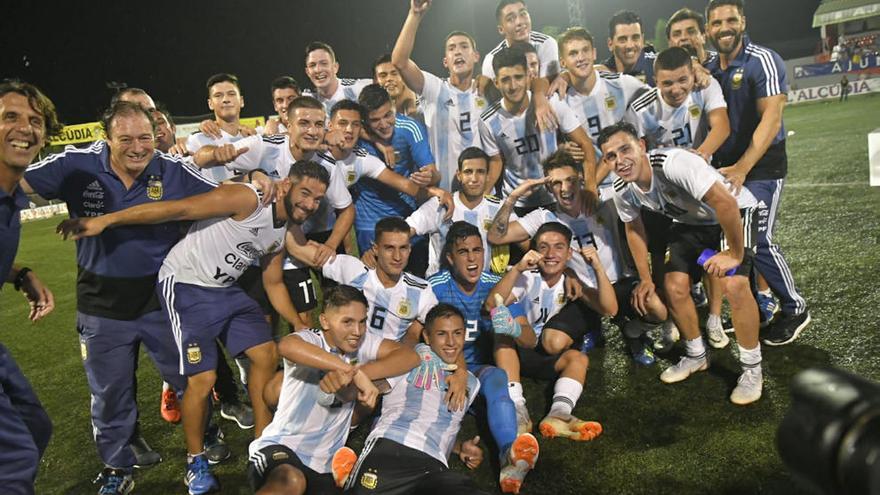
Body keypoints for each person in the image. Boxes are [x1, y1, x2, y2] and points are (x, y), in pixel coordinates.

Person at [57, 160, 333, 494]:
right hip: (186, 284)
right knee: (203, 379)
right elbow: (179, 209)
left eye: (317, 199)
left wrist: (300, 322)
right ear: (287, 184)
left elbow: (273, 282)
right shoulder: (248, 198)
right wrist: (106, 220)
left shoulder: (283, 229)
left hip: (225, 290)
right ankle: (196, 461)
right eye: (305, 193)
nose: (310, 204)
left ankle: (262, 440)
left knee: (265, 354)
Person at [23, 101, 219, 493]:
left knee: (189, 380)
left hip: (164, 301)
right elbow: (14, 180)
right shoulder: (76, 164)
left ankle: (202, 447)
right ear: (106, 139)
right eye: (125, 139)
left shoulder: (172, 170)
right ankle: (117, 468)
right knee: (109, 393)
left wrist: (257, 178)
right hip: (101, 303)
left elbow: (225, 199)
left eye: (145, 137)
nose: (137, 147)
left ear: (156, 136)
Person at [598, 121, 763, 405]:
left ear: (642, 146)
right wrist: (645, 279)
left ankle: (752, 370)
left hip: (735, 212)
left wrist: (735, 254)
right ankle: (696, 354)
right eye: (611, 156)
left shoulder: (673, 164)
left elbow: (725, 203)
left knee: (735, 285)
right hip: (692, 223)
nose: (620, 160)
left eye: (625, 149)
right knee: (673, 285)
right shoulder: (621, 187)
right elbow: (633, 228)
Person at [487, 150, 667, 364]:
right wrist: (512, 198)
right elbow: (496, 236)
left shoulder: (604, 200)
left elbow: (644, 188)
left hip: (620, 283)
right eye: (556, 183)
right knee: (552, 342)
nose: (564, 188)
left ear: (581, 179)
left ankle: (632, 332)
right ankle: (591, 328)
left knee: (658, 309)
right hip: (582, 292)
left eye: (570, 180)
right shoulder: (545, 216)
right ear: (548, 187)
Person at [195, 95, 354, 329]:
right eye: (304, 123)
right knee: (264, 323)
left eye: (319, 125)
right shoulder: (264, 146)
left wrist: (331, 245)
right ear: (288, 125)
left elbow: (346, 208)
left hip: (293, 249)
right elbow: (201, 159)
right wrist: (215, 154)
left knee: (304, 320)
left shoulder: (327, 163)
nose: (312, 131)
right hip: (255, 252)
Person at [246, 285, 420, 495]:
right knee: (291, 480)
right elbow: (286, 346)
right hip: (283, 448)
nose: (357, 331)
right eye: (347, 322)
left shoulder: (363, 343)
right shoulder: (313, 339)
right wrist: (350, 371)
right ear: (325, 321)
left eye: (362, 321)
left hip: (326, 467)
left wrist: (361, 374)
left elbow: (410, 356)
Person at [705, 0, 810, 345]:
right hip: (729, 168)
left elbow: (772, 118)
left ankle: (794, 308)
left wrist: (743, 167)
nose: (724, 27)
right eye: (717, 22)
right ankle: (758, 310)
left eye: (731, 20)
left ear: (743, 22)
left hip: (762, 166)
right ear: (708, 29)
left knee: (758, 238)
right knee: (737, 241)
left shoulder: (762, 59)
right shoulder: (709, 67)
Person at [627, 46, 731, 349]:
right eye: (667, 83)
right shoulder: (641, 107)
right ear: (655, 81)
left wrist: (700, 157)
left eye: (682, 80)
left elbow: (722, 126)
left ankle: (714, 318)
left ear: (692, 74)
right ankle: (671, 319)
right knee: (660, 255)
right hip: (662, 195)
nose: (676, 89)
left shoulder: (705, 87)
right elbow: (634, 148)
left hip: (700, 188)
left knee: (709, 254)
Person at [337, 304, 500, 495]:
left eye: (457, 333)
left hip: (435, 467)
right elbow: (362, 390)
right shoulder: (408, 361)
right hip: (391, 450)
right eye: (441, 334)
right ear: (427, 337)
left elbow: (440, 422)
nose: (451, 342)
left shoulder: (471, 383)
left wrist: (459, 448)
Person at [427, 223, 539, 493]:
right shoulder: (434, 287)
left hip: (477, 369)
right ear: (450, 258)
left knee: (498, 377)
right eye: (463, 252)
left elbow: (530, 339)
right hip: (441, 369)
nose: (472, 258)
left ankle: (509, 455)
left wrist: (513, 329)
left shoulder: (497, 285)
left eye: (477, 250)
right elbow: (419, 335)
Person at [487, 223, 612, 439]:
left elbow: (610, 309)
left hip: (545, 354)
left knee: (578, 359)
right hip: (517, 353)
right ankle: (517, 408)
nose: (551, 254)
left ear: (569, 253)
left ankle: (559, 413)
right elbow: (491, 305)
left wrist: (599, 268)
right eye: (543, 247)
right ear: (534, 251)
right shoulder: (526, 277)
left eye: (558, 247)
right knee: (503, 336)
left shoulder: (572, 280)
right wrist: (517, 269)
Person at [0, 80, 59, 495]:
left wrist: (19, 273)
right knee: (14, 458)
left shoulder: (11, 197)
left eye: (35, 121)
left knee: (34, 426)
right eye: (10, 117)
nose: (25, 128)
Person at [478, 47, 598, 215]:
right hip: (518, 202)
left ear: (528, 76)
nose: (513, 86)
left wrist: (591, 187)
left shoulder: (551, 103)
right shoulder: (488, 121)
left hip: (557, 196)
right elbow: (496, 161)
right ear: (496, 82)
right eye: (505, 79)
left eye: (518, 77)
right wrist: (482, 197)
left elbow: (585, 143)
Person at [555, 27, 650, 198]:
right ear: (563, 62)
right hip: (593, 189)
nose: (581, 57)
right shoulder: (559, 100)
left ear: (594, 53)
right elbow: (550, 143)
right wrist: (562, 148)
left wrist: (695, 66)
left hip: (630, 182)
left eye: (585, 50)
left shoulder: (621, 84)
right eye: (573, 53)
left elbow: (660, 98)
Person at [353, 84, 438, 275]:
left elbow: (431, 171)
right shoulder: (355, 134)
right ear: (364, 121)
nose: (384, 124)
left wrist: (429, 176)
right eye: (375, 120)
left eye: (387, 115)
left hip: (406, 220)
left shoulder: (409, 128)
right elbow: (332, 131)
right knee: (375, 287)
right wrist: (377, 142)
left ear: (392, 105)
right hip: (369, 224)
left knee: (415, 282)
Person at [406, 147, 507, 277]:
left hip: (483, 285)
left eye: (480, 172)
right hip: (439, 285)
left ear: (488, 176)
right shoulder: (439, 205)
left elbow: (525, 235)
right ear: (459, 175)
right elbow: (404, 231)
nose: (474, 178)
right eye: (468, 172)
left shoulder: (498, 208)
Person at [482, 0, 560, 79]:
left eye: (523, 14)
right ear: (501, 29)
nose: (519, 22)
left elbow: (547, 83)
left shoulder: (546, 44)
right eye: (510, 19)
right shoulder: (491, 60)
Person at [303, 42, 372, 113]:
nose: (318, 70)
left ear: (335, 67)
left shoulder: (358, 89)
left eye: (324, 63)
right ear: (307, 72)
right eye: (312, 65)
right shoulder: (306, 99)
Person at [602, 10, 657, 86]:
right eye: (622, 39)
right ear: (610, 44)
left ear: (642, 40)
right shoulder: (601, 76)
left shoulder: (656, 66)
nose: (630, 46)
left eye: (635, 37)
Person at [373, 54, 422, 122]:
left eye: (394, 74)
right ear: (374, 81)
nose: (389, 78)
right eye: (383, 75)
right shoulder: (361, 90)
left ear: (404, 77)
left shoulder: (422, 106)